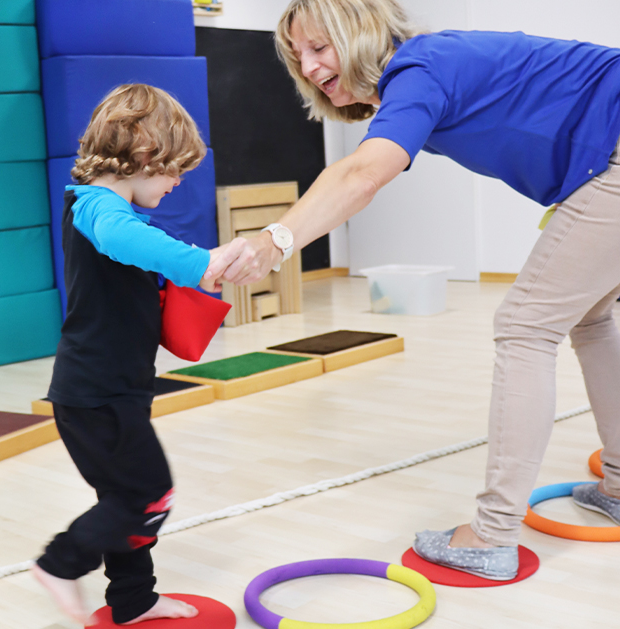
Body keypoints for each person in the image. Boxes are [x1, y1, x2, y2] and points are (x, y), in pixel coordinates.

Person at [204, 0, 620, 580]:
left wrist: (274, 240)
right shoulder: (427, 68)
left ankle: (492, 537)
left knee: (524, 325)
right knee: (588, 317)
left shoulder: (419, 68)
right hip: (606, 163)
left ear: (359, 32)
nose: (309, 66)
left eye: (320, 47)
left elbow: (360, 173)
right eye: (297, 57)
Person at [31, 83, 239, 624]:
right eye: (174, 172)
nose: (177, 184)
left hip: (112, 388)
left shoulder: (108, 209)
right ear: (146, 156)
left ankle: (133, 601)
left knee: (122, 499)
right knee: (148, 496)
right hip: (97, 393)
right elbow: (125, 240)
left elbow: (135, 249)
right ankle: (60, 562)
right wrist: (204, 262)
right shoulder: (98, 208)